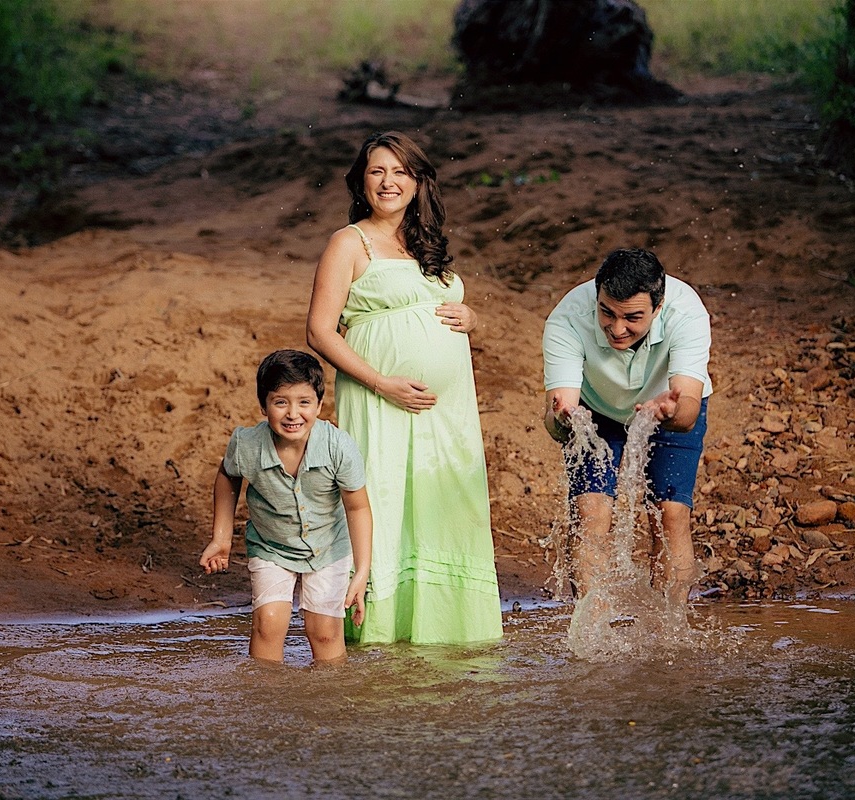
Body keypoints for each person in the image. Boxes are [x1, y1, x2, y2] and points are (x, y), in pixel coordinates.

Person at [306, 131, 503, 645]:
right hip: (378, 397)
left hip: (447, 410)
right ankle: (379, 628)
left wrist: (471, 315)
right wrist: (382, 383)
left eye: (400, 172)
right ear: (362, 182)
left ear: (418, 183)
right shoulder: (349, 242)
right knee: (385, 495)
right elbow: (319, 331)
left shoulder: (427, 244)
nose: (389, 182)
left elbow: (441, 305)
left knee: (445, 498)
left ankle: (450, 627)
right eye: (377, 172)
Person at [542, 247, 712, 608]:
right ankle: (589, 631)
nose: (617, 328)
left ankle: (669, 629)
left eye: (633, 317)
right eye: (607, 312)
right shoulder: (569, 316)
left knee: (670, 513)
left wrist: (669, 410)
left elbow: (688, 414)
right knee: (591, 511)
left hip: (666, 404)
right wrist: (563, 419)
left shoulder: (688, 313)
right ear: (597, 294)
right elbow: (557, 417)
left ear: (659, 306)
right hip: (595, 409)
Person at [199, 349, 372, 664]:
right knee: (268, 625)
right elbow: (227, 476)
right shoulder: (247, 445)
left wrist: (361, 572)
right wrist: (221, 537)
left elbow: (357, 508)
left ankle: (329, 699)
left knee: (324, 632)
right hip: (271, 547)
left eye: (304, 402)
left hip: (328, 547)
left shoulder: (339, 447)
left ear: (320, 405)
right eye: (281, 402)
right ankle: (265, 699)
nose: (293, 413)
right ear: (264, 406)